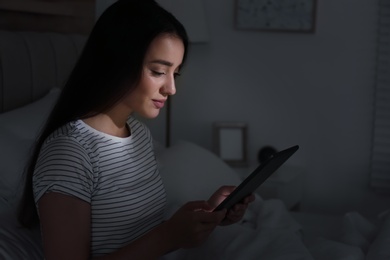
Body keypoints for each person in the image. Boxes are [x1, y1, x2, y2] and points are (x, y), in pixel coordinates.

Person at [18, 0, 255, 259]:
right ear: (117, 61)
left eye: (174, 74)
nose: (171, 89)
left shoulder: (138, 134)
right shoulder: (68, 153)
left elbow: (140, 236)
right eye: (158, 71)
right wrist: (169, 236)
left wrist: (208, 215)